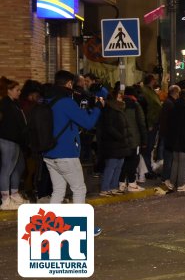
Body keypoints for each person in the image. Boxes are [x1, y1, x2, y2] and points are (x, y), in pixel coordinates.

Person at [43, 70, 103, 234]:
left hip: (48, 154)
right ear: (69, 84)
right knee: (79, 189)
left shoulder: (45, 100)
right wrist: (97, 108)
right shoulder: (65, 102)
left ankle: (48, 225)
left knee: (58, 190)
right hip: (66, 153)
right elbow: (88, 123)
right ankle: (82, 228)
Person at [97, 91, 131, 197]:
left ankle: (113, 187)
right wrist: (120, 136)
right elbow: (109, 127)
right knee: (111, 166)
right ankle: (105, 188)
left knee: (118, 166)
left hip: (120, 143)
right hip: (113, 143)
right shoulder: (110, 110)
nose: (122, 99)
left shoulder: (118, 109)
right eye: (120, 97)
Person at [0, 77, 27, 210]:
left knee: (18, 167)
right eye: (17, 90)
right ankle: (5, 199)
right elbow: (11, 124)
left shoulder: (14, 103)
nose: (19, 92)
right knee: (7, 169)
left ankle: (14, 194)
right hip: (8, 140)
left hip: (15, 140)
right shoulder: (6, 104)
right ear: (9, 91)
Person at [164, 90, 185, 192]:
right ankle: (181, 184)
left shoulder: (173, 106)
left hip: (175, 139)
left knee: (175, 162)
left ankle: (171, 183)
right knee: (183, 162)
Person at [118, 86, 147, 192]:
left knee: (123, 161)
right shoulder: (135, 105)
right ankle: (131, 183)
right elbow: (141, 123)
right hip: (134, 139)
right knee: (133, 161)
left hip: (121, 138)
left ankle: (121, 183)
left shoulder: (119, 104)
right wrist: (144, 140)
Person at [140, 74, 162, 178]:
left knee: (149, 148)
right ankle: (146, 170)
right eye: (154, 80)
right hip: (150, 125)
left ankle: (148, 169)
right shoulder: (146, 92)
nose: (156, 81)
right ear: (151, 80)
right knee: (147, 148)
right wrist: (150, 124)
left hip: (153, 123)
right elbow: (148, 109)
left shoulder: (150, 91)